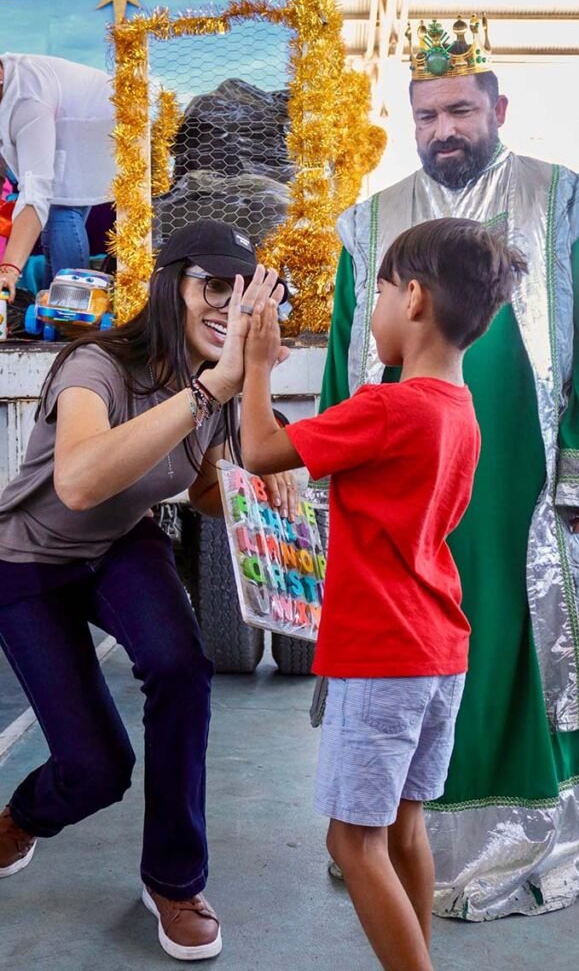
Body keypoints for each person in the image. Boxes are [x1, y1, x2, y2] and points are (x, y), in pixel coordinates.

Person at [317, 15, 579, 920]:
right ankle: (395, 832)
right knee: (406, 643)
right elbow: (347, 358)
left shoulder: (558, 196)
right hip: (407, 485)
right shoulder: (370, 219)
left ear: (498, 106)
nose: (442, 130)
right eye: (425, 115)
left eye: (459, 109)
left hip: (525, 489)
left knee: (523, 640)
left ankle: (530, 834)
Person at [0, 218, 297, 961]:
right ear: (171, 287)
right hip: (28, 561)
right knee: (98, 770)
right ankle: (20, 819)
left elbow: (199, 489)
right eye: (214, 287)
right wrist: (214, 388)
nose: (229, 305)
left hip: (120, 543)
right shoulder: (95, 364)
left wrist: (265, 481)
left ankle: (174, 880)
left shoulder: (219, 386)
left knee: (183, 667)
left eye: (245, 293)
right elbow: (76, 481)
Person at [239, 217, 526, 971]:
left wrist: (258, 366)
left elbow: (261, 451)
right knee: (404, 829)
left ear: (415, 298)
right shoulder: (459, 412)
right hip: (438, 651)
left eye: (377, 293)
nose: (372, 310)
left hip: (382, 656)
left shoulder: (388, 405)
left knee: (351, 841)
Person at [0, 53, 116, 301]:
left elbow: (35, 192)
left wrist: (8, 268)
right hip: (81, 122)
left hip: (105, 122)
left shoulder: (27, 99)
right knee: (54, 212)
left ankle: (71, 305)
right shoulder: (12, 82)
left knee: (63, 208)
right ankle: (51, 305)